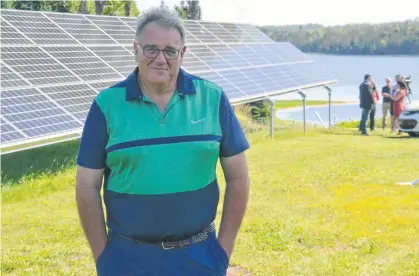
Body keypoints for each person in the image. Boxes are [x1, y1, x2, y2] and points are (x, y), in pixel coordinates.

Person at [75, 7, 250, 276]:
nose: (160, 59)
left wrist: (222, 251)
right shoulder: (106, 105)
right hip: (127, 259)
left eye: (170, 51)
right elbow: (87, 186)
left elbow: (238, 178)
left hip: (200, 257)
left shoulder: (213, 98)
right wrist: (104, 258)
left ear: (182, 54)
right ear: (135, 49)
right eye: (151, 49)